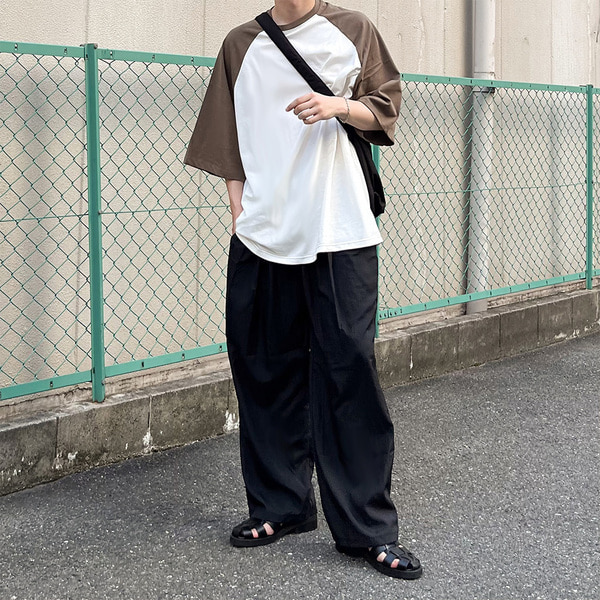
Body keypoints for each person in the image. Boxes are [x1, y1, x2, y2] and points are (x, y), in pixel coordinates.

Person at [184, 0, 422, 580]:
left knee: (349, 368)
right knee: (263, 367)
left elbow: (386, 105)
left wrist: (337, 105)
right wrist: (240, 212)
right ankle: (280, 506)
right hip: (263, 232)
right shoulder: (241, 43)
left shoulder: (353, 29)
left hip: (340, 226)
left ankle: (368, 528)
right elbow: (227, 137)